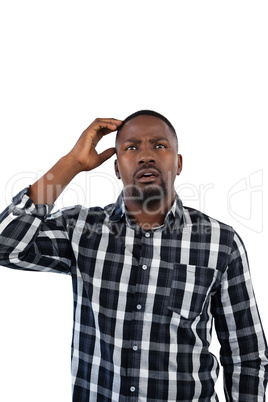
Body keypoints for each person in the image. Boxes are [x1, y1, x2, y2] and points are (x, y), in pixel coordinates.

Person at [0, 110, 267, 401]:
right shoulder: (80, 230)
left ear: (178, 164)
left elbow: (247, 356)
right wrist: (71, 164)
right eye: (131, 147)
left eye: (159, 145)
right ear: (116, 168)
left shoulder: (221, 242)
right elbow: (5, 246)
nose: (145, 156)